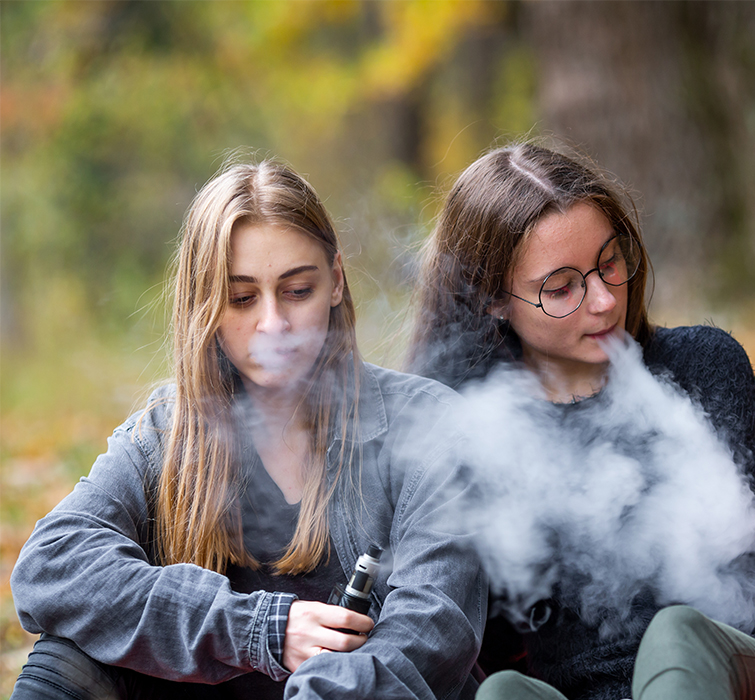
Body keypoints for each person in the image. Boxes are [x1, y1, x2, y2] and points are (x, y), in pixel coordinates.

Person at [10, 158, 486, 700]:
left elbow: (433, 628)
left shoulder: (428, 425)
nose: (273, 325)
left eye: (297, 291)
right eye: (241, 298)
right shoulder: (167, 433)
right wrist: (261, 630)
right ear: (206, 306)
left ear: (335, 280)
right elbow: (52, 565)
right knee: (67, 654)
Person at [407, 142, 755, 700]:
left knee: (676, 639)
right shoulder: (466, 427)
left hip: (750, 682)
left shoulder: (702, 367)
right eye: (561, 287)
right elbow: (466, 649)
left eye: (609, 263)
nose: (603, 300)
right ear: (492, 300)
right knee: (502, 694)